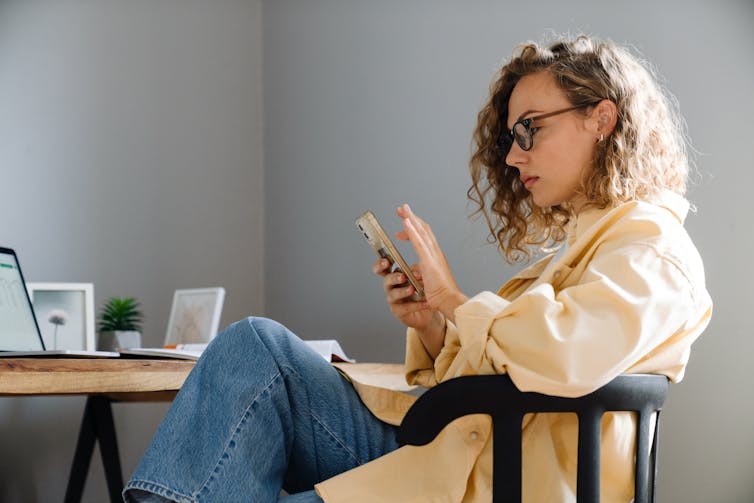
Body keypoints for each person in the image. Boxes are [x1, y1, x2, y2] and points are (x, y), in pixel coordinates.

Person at [123, 34, 712, 502]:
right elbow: (509, 370)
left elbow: (564, 355)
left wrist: (455, 300)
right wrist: (434, 322)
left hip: (496, 482)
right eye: (511, 136)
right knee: (258, 348)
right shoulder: (588, 246)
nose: (512, 154)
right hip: (460, 454)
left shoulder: (654, 251)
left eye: (530, 128)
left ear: (602, 119)